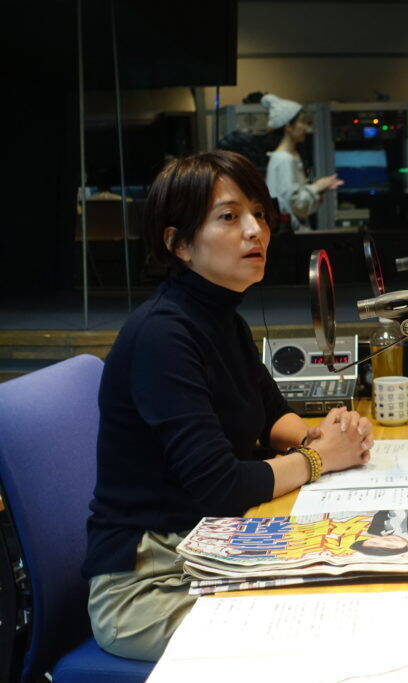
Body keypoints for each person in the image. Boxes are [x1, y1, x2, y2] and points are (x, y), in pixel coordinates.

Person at [82, 150, 375, 661]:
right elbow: (220, 485)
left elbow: (271, 414)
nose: (255, 230)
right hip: (149, 585)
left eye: (259, 213)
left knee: (361, 578)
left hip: (208, 549)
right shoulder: (163, 336)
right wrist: (320, 458)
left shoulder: (221, 317)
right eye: (229, 216)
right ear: (178, 244)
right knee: (327, 632)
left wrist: (321, 435)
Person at [261, 93, 342, 231]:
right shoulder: (283, 159)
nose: (306, 127)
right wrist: (317, 187)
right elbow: (295, 205)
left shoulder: (290, 156)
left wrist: (320, 190)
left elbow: (300, 207)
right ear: (288, 127)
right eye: (302, 122)